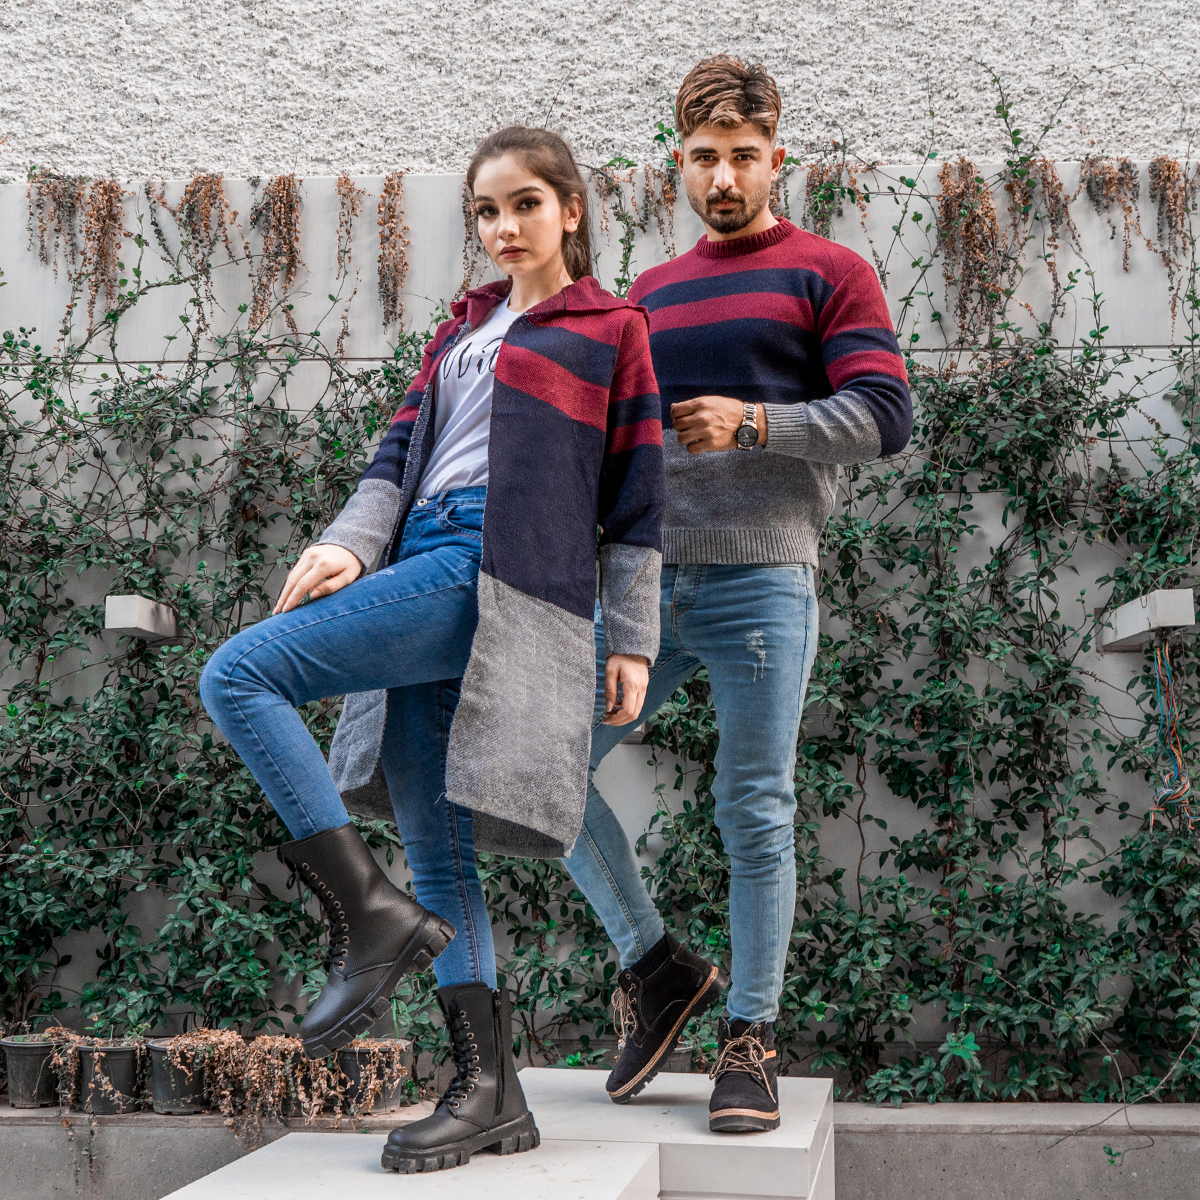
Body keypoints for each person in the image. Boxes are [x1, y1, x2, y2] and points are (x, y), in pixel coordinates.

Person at [199, 125, 664, 1173]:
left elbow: (639, 497)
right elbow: (398, 456)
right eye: (487, 211)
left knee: (240, 671)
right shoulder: (461, 330)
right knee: (439, 848)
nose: (505, 228)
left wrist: (633, 638)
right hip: (422, 553)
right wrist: (348, 544)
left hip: (496, 570)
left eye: (526, 205)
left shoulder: (611, 329)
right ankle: (489, 1090)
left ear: (571, 210)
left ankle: (368, 914)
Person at [559, 56, 913, 1133]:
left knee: (754, 808)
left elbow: (885, 417)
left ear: (777, 159)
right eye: (705, 158)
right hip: (647, 585)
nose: (724, 177)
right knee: (535, 770)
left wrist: (757, 423)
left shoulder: (829, 272)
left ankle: (750, 1038)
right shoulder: (651, 292)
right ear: (679, 162)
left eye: (744, 157)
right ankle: (656, 964)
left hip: (765, 577)